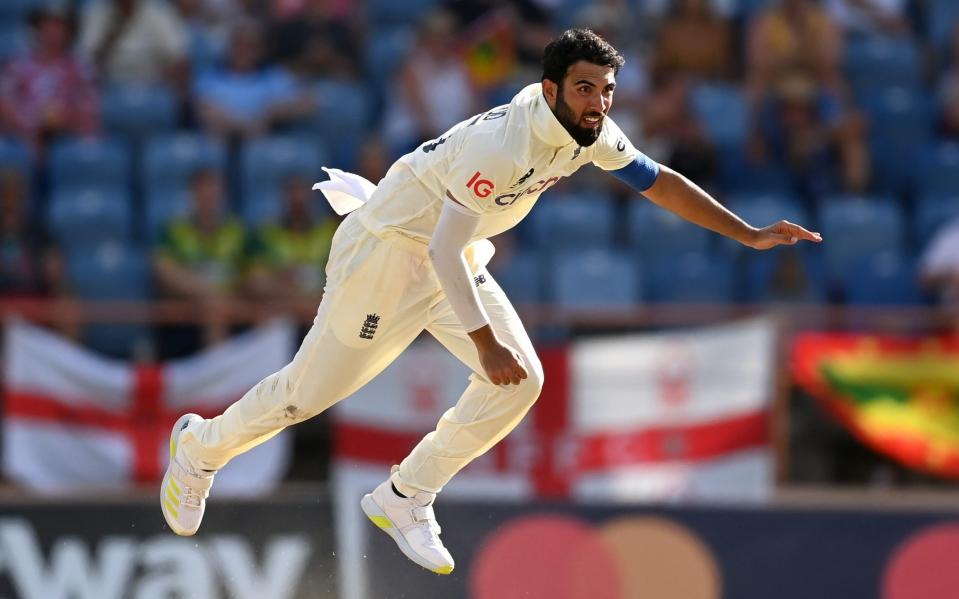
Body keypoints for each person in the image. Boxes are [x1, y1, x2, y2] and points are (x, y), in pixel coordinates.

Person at [160, 29, 821, 574]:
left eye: (606, 91)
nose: (598, 103)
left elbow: (659, 181)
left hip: (452, 254)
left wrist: (747, 232)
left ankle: (404, 493)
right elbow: (440, 251)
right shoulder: (503, 145)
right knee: (306, 396)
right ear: (549, 90)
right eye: (585, 89)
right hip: (390, 253)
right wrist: (482, 341)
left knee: (520, 383)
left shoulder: (594, 130)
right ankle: (200, 448)